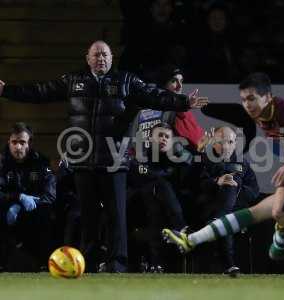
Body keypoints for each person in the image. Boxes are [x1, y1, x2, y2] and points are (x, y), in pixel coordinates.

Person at [0, 40, 208, 273]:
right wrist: (6, 90)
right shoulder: (73, 80)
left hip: (115, 160)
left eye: (106, 55)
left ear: (111, 59)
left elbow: (154, 94)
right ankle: (87, 263)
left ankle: (116, 265)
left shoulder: (126, 80)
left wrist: (183, 102)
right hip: (84, 161)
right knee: (88, 215)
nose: (102, 59)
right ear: (87, 58)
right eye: (97, 55)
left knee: (116, 216)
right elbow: (40, 91)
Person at [163, 72, 284, 280]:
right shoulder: (259, 117)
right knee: (279, 212)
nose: (247, 104)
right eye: (243, 100)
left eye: (251, 98)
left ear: (267, 97)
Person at [193, 126, 259, 276]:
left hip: (234, 208)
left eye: (229, 142)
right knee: (224, 217)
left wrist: (238, 188)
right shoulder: (204, 159)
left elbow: (254, 192)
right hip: (209, 205)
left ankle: (228, 263)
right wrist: (217, 181)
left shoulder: (243, 163)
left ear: (235, 143)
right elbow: (196, 184)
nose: (225, 147)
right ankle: (229, 265)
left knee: (231, 188)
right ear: (213, 143)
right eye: (220, 142)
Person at [129, 122, 193, 272]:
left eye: (167, 137)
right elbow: (141, 175)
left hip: (164, 205)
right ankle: (181, 228)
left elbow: (190, 165)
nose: (163, 139)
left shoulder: (176, 154)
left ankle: (156, 264)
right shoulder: (141, 153)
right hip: (138, 201)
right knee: (159, 185)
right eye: (160, 136)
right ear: (151, 138)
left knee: (157, 207)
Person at [0, 123, 56, 270]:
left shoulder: (41, 163)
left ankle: (44, 261)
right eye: (14, 142)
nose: (18, 147)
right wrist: (17, 198)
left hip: (33, 212)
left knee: (47, 214)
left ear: (29, 143)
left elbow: (49, 195)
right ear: (9, 143)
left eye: (22, 142)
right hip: (6, 211)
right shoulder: (1, 163)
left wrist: (24, 206)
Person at [131, 64, 204, 152]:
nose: (180, 86)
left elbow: (198, 141)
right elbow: (198, 142)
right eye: (174, 81)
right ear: (163, 83)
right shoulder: (141, 108)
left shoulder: (180, 109)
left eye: (181, 81)